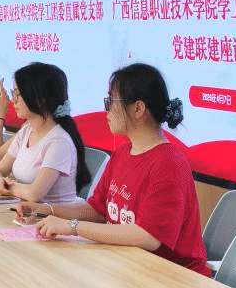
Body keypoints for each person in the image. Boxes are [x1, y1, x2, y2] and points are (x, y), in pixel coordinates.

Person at [19, 63, 211, 276]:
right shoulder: (121, 153)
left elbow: (148, 237)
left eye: (111, 102)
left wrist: (72, 226)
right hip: (129, 267)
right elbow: (97, 211)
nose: (107, 110)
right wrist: (45, 210)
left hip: (172, 277)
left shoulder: (169, 163)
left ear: (138, 109)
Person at [0, 62, 88, 203]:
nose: (13, 100)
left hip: (48, 215)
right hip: (23, 209)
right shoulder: (26, 131)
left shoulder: (59, 141)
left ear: (40, 99)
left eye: (18, 94)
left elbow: (34, 194)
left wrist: (6, 186)